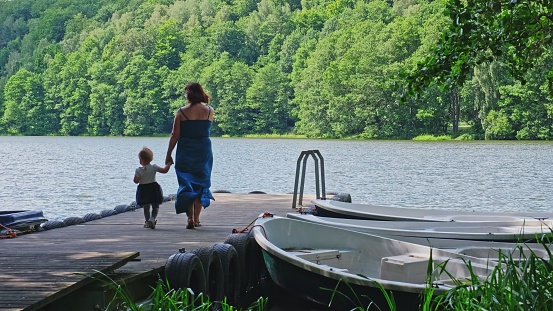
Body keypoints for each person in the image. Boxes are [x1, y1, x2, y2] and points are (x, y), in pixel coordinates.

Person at [165, 82, 215, 229]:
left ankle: (190, 218)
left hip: (185, 150)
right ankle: (197, 219)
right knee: (201, 183)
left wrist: (168, 155)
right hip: (203, 149)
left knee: (187, 183)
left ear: (189, 94)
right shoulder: (209, 111)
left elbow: (175, 135)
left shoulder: (181, 112)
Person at [134, 147, 172, 229]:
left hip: (143, 189)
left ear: (141, 160)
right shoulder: (154, 167)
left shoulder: (138, 170)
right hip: (153, 188)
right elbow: (164, 170)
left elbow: (136, 181)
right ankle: (152, 218)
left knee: (146, 207)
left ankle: (147, 221)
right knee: (155, 206)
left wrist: (139, 178)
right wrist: (169, 164)